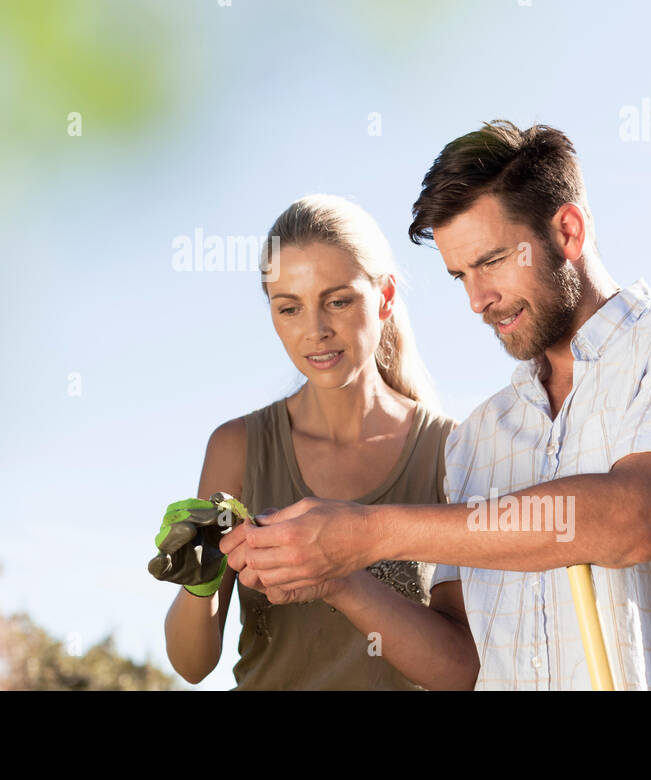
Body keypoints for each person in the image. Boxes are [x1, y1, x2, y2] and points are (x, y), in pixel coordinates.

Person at [222, 121, 651, 690]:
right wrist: (340, 577)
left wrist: (367, 533)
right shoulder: (477, 438)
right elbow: (462, 666)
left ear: (568, 231)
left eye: (491, 262)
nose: (477, 299)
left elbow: (633, 520)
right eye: (460, 275)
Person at [152, 194, 479, 690]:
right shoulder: (236, 446)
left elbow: (461, 671)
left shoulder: (453, 451)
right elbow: (192, 666)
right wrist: (199, 581)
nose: (316, 331)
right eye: (290, 308)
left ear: (385, 296)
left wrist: (339, 578)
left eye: (338, 301)